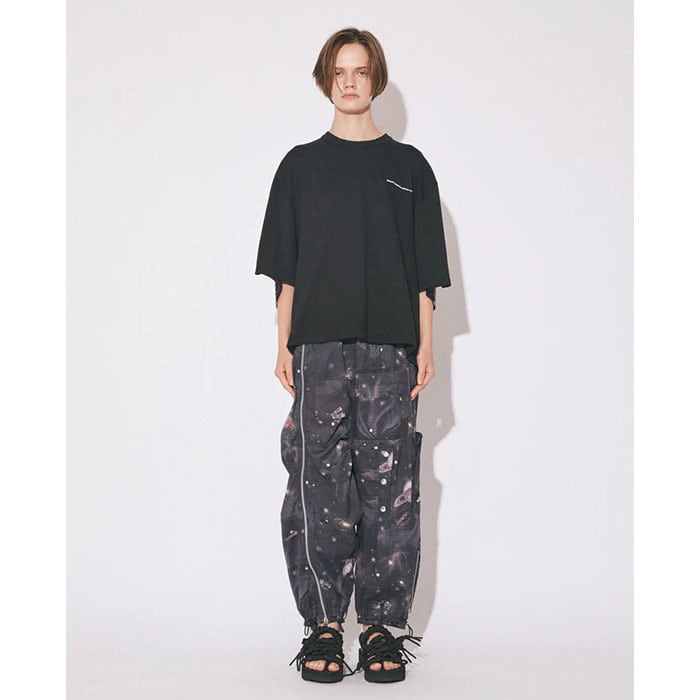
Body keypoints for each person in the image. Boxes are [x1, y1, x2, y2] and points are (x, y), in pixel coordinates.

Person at [254, 27, 451, 684]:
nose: (349, 82)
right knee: (318, 484)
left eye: (360, 71)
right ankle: (324, 625)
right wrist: (283, 343)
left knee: (391, 487)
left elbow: (425, 273)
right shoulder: (300, 167)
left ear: (376, 79)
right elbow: (285, 271)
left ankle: (381, 628)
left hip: (389, 348)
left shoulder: (410, 167)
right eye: (339, 71)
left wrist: (426, 344)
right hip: (317, 346)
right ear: (326, 80)